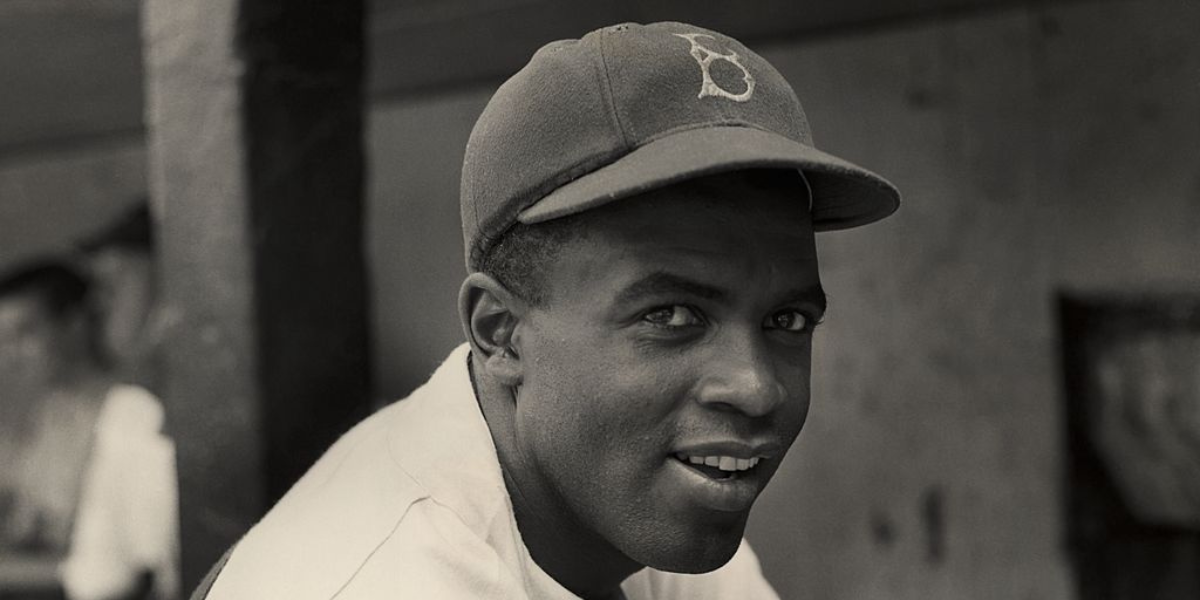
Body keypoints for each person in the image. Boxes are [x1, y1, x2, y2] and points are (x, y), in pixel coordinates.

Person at [195, 21, 899, 599]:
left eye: (788, 321)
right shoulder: (386, 579)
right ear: (499, 334)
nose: (755, 388)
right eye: (672, 316)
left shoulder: (621, 490)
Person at [0, 260, 179, 600]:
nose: (10, 354)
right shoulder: (44, 416)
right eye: (2, 339)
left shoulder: (132, 413)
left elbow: (125, 573)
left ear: (75, 323)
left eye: (25, 333)